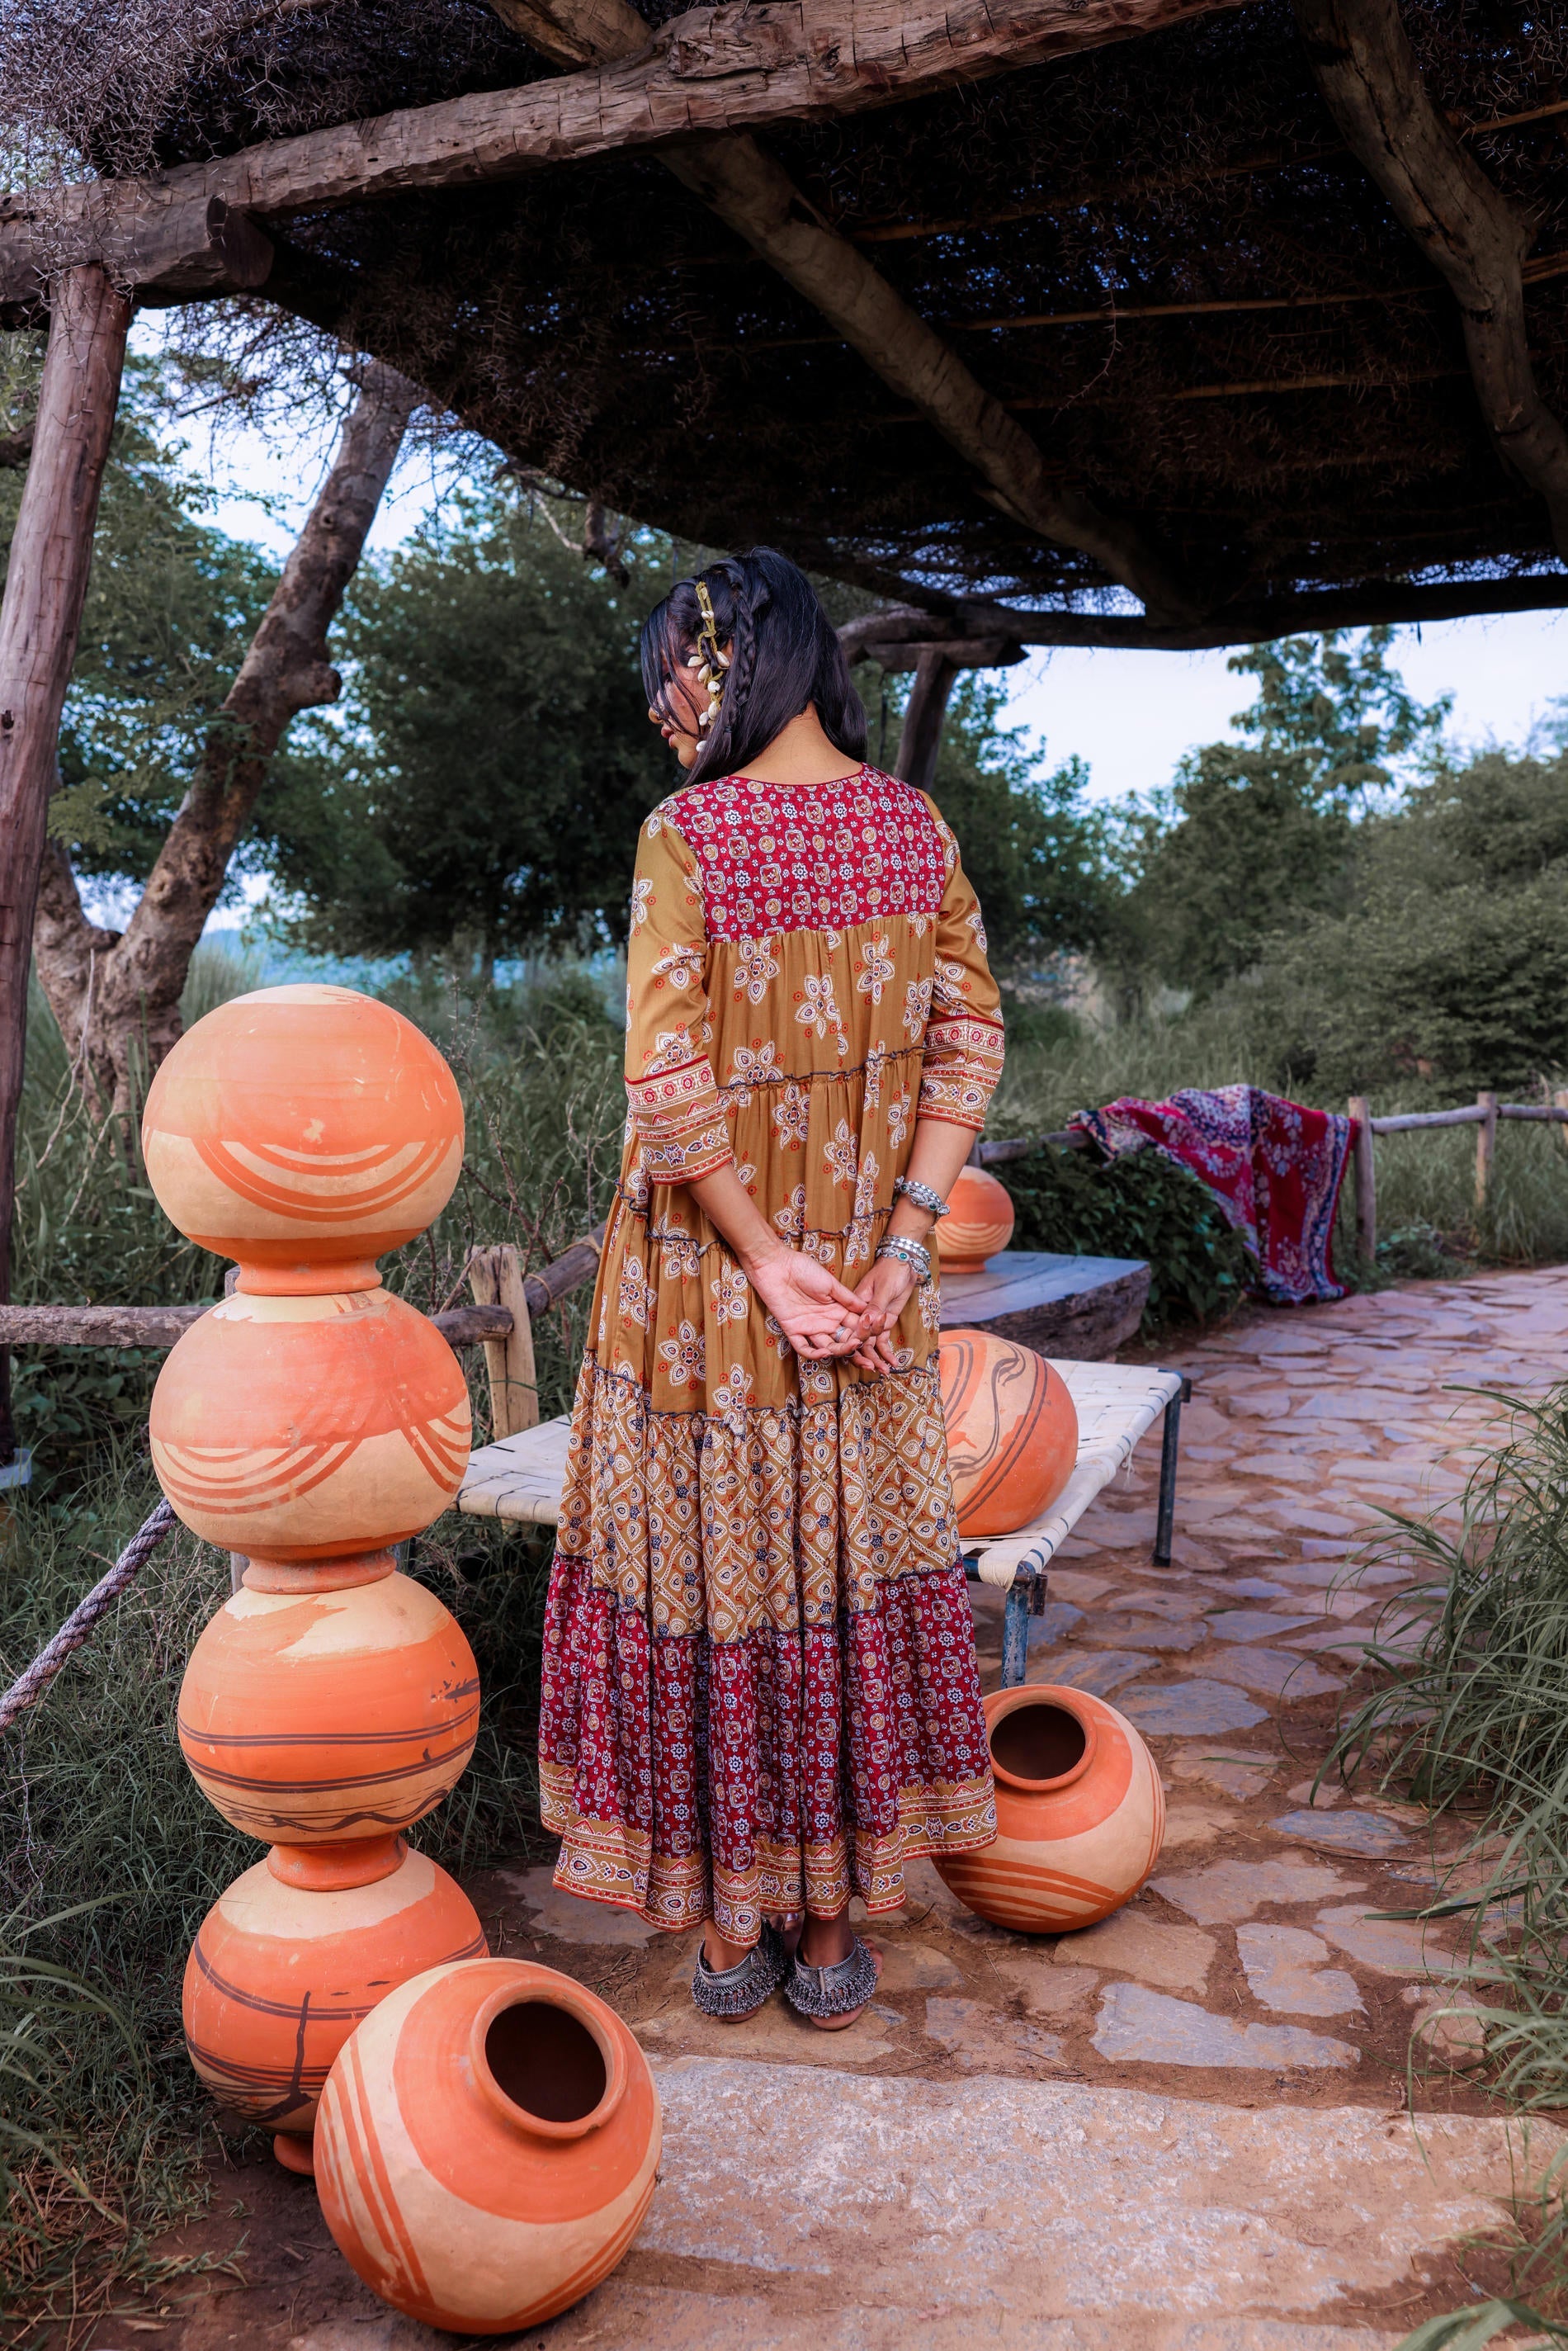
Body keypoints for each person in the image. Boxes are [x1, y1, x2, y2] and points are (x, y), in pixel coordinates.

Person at [538, 549, 1005, 2028]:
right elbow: (969, 1047)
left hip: (703, 1289)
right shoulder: (915, 834)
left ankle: (731, 1933)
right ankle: (827, 1937)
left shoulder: (686, 836)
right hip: (872, 1292)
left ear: (720, 664)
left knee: (722, 1584)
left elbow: (665, 1083)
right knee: (849, 1579)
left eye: (672, 676)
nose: (665, 709)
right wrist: (903, 1247)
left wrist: (763, 1258)